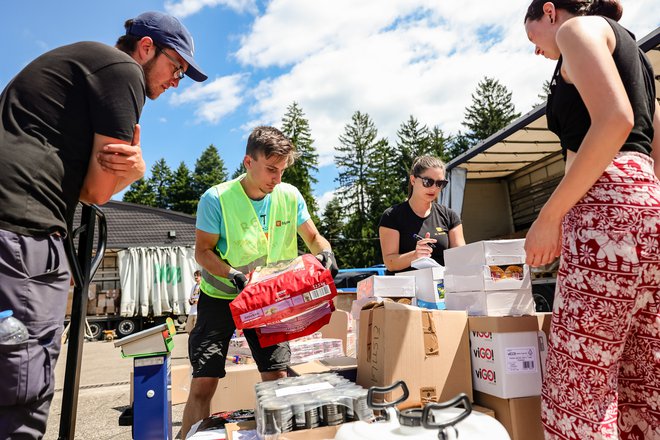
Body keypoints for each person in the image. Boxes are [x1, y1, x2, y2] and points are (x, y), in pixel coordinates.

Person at [0, 11, 207, 438]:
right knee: (21, 391)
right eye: (176, 67)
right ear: (146, 48)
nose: (176, 81)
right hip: (23, 229)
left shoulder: (82, 68)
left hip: (19, 226)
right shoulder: (123, 70)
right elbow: (98, 191)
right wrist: (133, 172)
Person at [523, 1, 660, 438]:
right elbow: (650, 135)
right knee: (644, 378)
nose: (537, 51)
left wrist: (550, 215)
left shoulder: (576, 31)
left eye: (532, 38)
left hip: (605, 211)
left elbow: (614, 120)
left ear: (549, 12)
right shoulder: (635, 55)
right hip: (647, 200)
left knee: (580, 385)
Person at [181, 126, 338, 437]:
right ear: (247, 162)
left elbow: (313, 237)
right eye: (270, 169)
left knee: (277, 376)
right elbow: (203, 252)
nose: (276, 178)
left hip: (270, 302)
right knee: (204, 381)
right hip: (222, 296)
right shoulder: (216, 199)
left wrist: (327, 253)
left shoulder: (290, 196)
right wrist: (233, 275)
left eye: (281, 170)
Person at [379, 155, 466, 273]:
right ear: (413, 180)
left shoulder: (450, 216)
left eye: (440, 183)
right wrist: (415, 255)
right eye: (428, 182)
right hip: (405, 288)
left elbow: (462, 257)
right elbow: (390, 263)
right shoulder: (392, 216)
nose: (434, 188)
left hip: (441, 287)